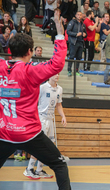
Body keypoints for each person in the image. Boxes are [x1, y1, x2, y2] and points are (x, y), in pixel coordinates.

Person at [0, 10, 71, 189]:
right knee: (60, 164)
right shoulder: (30, 70)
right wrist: (59, 29)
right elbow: (57, 63)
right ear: (30, 52)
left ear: (10, 50)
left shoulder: (1, 67)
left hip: (5, 132)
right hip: (29, 133)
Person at [24, 73, 67, 179]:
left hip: (50, 120)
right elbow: (33, 101)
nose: (57, 76)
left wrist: (63, 116)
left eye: (58, 74)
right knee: (40, 146)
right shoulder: (42, 87)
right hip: (41, 119)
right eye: (55, 74)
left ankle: (39, 170)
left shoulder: (59, 89)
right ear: (49, 75)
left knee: (47, 147)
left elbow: (59, 105)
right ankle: (29, 169)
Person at [67, 11, 86, 77]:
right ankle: (69, 70)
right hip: (73, 42)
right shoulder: (72, 22)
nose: (79, 16)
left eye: (80, 15)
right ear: (75, 15)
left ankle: (76, 71)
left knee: (78, 58)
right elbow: (68, 31)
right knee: (71, 57)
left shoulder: (83, 24)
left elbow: (85, 34)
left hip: (80, 42)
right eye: (78, 14)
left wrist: (84, 34)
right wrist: (76, 34)